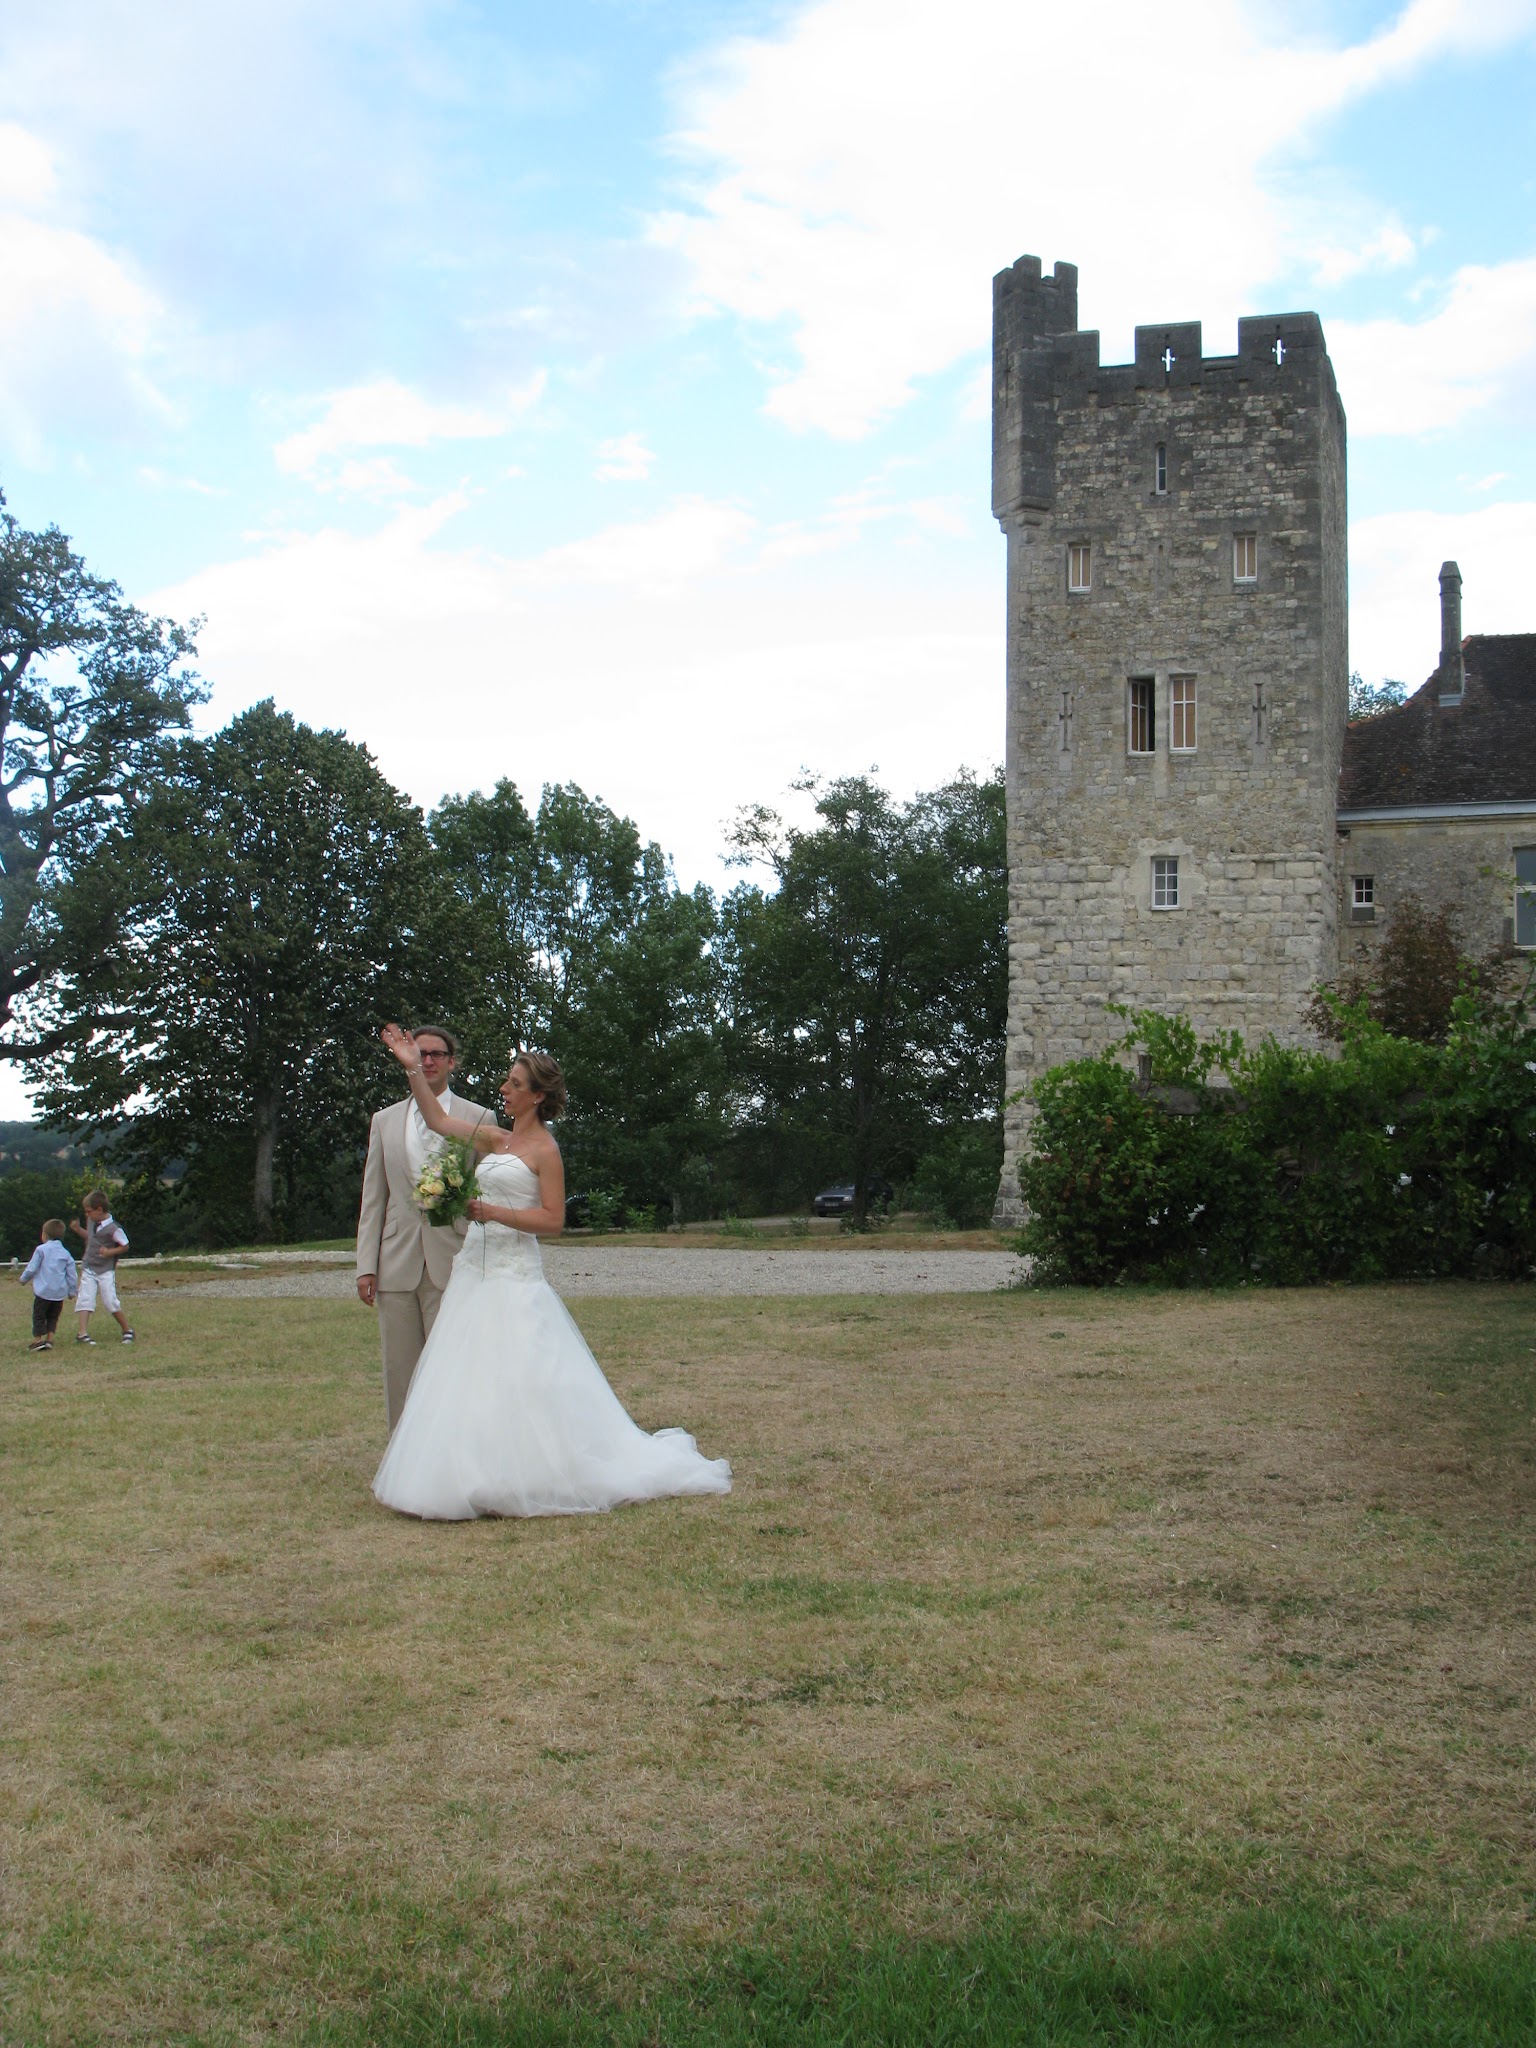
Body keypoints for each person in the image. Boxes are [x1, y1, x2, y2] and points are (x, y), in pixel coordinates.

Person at [371, 1026, 731, 1521]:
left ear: (537, 1096)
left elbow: (553, 1220)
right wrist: (412, 1065)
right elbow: (435, 1118)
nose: (504, 1089)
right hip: (473, 1274)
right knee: (468, 1377)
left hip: (514, 1275)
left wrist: (493, 1213)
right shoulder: (494, 1138)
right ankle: (474, 1473)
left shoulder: (545, 1150)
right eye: (507, 1081)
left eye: (515, 1084)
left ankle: (534, 1472)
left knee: (523, 1377)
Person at [355, 1023, 495, 1433]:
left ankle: (453, 1451)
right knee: (399, 1367)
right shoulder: (384, 1120)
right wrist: (366, 1265)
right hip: (396, 1262)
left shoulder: (478, 1117)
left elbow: (489, 1191)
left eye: (437, 1054)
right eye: (421, 1053)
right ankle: (402, 1454)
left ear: (452, 1062)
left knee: (453, 1367)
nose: (428, 1060)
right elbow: (374, 1198)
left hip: (454, 1258)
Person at [71, 1192, 133, 1345]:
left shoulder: (113, 1228)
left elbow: (125, 1245)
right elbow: (91, 1238)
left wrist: (109, 1252)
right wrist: (78, 1230)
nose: (87, 1215)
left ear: (99, 1209)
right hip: (89, 1267)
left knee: (110, 1300)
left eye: (88, 1211)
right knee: (85, 1298)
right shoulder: (92, 1222)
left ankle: (127, 1329)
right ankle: (82, 1333)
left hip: (105, 1270)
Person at [19, 1219, 77, 1352]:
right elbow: (71, 1274)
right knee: (53, 1316)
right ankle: (50, 1339)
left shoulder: (41, 1250)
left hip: (43, 1291)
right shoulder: (65, 1253)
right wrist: (72, 1291)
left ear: (44, 1235)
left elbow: (32, 1268)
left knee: (39, 1315)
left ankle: (38, 1340)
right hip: (59, 1293)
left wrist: (23, 1279)